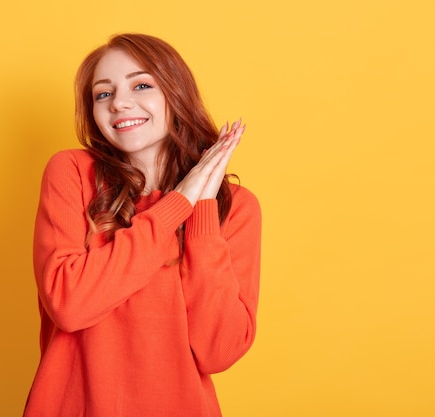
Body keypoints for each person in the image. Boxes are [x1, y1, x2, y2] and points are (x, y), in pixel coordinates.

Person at [23, 33, 261, 417]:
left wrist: (199, 208)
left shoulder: (235, 208)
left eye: (142, 85)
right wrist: (176, 205)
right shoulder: (71, 173)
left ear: (176, 94)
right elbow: (69, 304)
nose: (119, 102)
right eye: (103, 94)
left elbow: (219, 349)